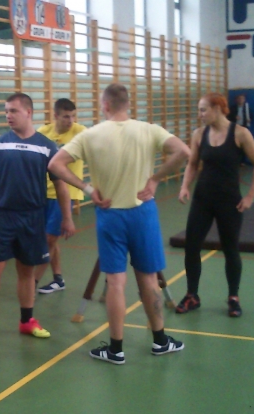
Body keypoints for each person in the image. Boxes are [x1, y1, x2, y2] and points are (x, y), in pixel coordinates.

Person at [48, 83, 190, 365]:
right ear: (127, 104)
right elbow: (184, 152)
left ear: (105, 105)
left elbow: (55, 164)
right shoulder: (148, 130)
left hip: (109, 212)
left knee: (115, 282)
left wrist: (87, 189)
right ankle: (160, 341)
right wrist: (155, 178)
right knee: (148, 277)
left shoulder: (90, 135)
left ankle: (115, 349)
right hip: (142, 213)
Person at [0, 93, 75, 339]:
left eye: (13, 111)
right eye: (6, 111)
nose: (8, 115)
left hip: (33, 217)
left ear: (28, 112)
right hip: (3, 216)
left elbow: (61, 186)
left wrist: (67, 217)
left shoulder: (47, 147)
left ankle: (27, 320)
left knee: (27, 271)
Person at [176, 93, 254, 318]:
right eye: (199, 109)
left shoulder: (240, 134)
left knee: (230, 249)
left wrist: (250, 196)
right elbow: (192, 164)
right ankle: (192, 295)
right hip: (202, 200)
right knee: (191, 246)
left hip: (229, 202)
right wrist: (185, 186)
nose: (200, 114)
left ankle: (233, 297)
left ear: (217, 109)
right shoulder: (199, 134)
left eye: (203, 109)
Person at [34, 98, 87, 294]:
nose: (70, 120)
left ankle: (32, 282)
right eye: (66, 116)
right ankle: (58, 279)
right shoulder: (42, 133)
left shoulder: (81, 133)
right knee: (50, 239)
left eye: (73, 116)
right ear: (55, 115)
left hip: (65, 194)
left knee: (49, 239)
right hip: (43, 193)